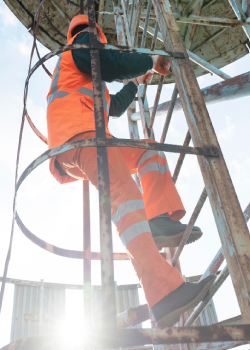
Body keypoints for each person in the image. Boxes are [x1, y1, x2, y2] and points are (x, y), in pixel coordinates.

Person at [46, 14, 216, 327]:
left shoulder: (83, 72)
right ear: (92, 32)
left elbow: (114, 107)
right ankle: (164, 293)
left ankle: (159, 218)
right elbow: (110, 62)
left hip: (89, 138)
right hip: (79, 136)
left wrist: (137, 81)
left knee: (147, 152)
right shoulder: (81, 45)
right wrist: (149, 60)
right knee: (126, 199)